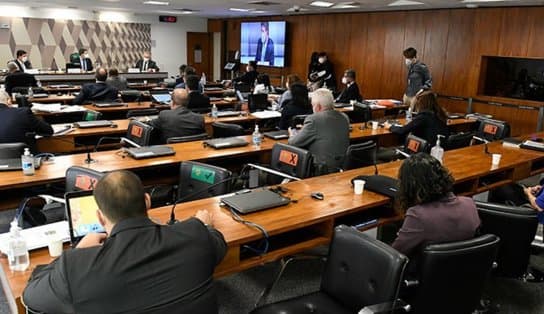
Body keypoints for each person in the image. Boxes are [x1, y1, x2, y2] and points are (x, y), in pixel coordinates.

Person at [22, 170, 227, 314]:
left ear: (100, 218)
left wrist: (77, 251)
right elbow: (218, 245)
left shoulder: (75, 267)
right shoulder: (195, 234)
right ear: (147, 201)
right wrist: (205, 226)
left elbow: (30, 297)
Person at [392, 153, 480, 261]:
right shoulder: (469, 204)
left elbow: (396, 254)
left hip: (426, 273)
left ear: (410, 186)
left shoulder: (418, 215)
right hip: (466, 269)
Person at [288, 88, 349, 173]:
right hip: (341, 166)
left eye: (312, 105)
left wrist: (292, 134)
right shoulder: (344, 117)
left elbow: (294, 143)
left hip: (320, 169)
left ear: (318, 106)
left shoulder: (314, 119)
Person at [384, 91, 449, 147]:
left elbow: (402, 131)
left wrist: (390, 127)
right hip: (439, 146)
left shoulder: (424, 116)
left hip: (425, 150)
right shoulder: (440, 114)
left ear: (421, 104)